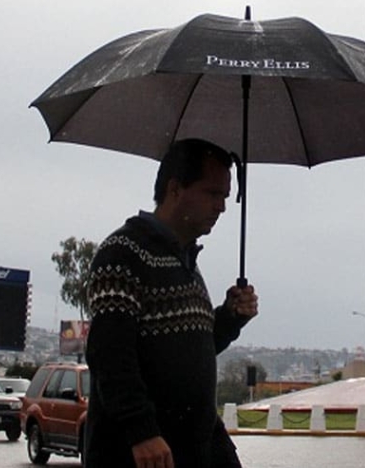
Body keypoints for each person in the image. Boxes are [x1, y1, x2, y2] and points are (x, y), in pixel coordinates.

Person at [84, 138, 259, 468]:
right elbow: (110, 354)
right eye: (213, 193)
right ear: (175, 189)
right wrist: (142, 432)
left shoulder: (186, 263)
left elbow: (188, 351)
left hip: (195, 448)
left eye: (225, 196)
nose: (222, 207)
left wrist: (230, 318)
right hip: (141, 455)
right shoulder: (124, 254)